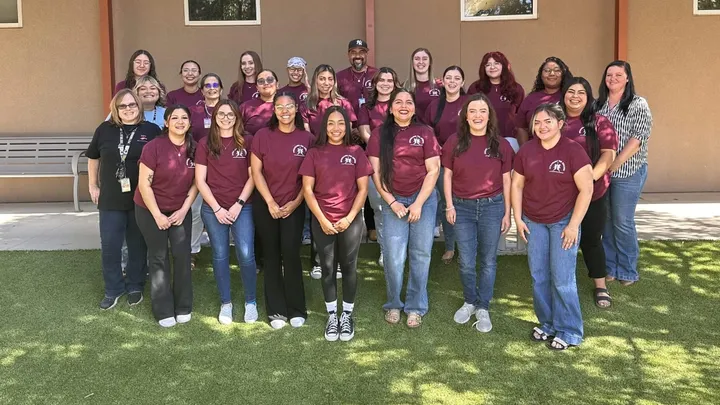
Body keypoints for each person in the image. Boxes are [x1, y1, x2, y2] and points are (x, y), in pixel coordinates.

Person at [511, 103, 593, 350]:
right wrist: (518, 218)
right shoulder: (526, 151)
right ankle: (547, 323)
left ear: (560, 124)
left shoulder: (573, 150)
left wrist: (573, 225)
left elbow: (586, 189)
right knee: (539, 277)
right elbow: (516, 185)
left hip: (562, 223)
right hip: (534, 222)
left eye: (547, 121)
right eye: (537, 122)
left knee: (562, 279)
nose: (541, 126)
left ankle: (569, 331)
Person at [367, 88, 440, 328]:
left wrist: (418, 203)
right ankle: (394, 304)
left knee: (420, 255)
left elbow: (433, 170)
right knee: (394, 257)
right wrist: (392, 201)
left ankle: (416, 306)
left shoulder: (425, 132)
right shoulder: (380, 134)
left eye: (408, 102)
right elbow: (376, 173)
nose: (403, 106)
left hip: (424, 201)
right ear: (390, 108)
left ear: (414, 108)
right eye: (398, 102)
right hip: (393, 200)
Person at [442, 93, 514, 332]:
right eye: (472, 111)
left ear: (489, 115)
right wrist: (450, 205)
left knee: (488, 261)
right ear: (465, 115)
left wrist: (507, 212)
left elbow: (507, 181)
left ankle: (483, 306)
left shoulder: (500, 144)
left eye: (482, 111)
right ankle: (469, 301)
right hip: (461, 208)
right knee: (466, 261)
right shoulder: (454, 141)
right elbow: (448, 175)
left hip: (492, 207)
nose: (477, 116)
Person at [300, 106, 373, 341]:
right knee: (328, 269)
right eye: (331, 123)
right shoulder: (314, 153)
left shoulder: (356, 152)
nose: (336, 128)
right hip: (323, 220)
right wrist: (322, 219)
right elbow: (308, 190)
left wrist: (350, 218)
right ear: (324, 126)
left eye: (340, 123)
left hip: (350, 220)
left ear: (347, 126)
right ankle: (332, 315)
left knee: (349, 267)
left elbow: (363, 189)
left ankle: (347, 315)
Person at [87, 89, 160, 310]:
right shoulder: (104, 129)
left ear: (139, 106)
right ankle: (113, 289)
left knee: (137, 244)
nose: (128, 109)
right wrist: (92, 185)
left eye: (132, 105)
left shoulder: (152, 130)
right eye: (123, 106)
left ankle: (135, 285)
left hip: (140, 198)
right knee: (110, 245)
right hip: (110, 197)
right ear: (115, 109)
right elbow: (93, 158)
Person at [251, 92, 314, 329]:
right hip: (266, 205)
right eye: (279, 107)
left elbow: (309, 177)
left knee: (291, 254)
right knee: (271, 255)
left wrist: (296, 203)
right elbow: (256, 172)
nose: (284, 111)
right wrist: (269, 202)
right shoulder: (262, 136)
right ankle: (276, 310)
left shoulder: (306, 138)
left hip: (294, 206)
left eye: (289, 106)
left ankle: (296, 308)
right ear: (273, 110)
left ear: (296, 109)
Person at [135, 105, 199, 328]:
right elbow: (144, 184)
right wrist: (157, 215)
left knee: (182, 255)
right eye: (175, 118)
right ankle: (163, 309)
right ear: (166, 122)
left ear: (190, 123)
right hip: (150, 209)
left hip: (180, 209)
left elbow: (196, 184)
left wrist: (183, 210)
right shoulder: (154, 147)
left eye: (184, 118)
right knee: (159, 257)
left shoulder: (195, 148)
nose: (180, 121)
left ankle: (183, 306)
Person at [195, 99, 258, 324]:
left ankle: (251, 301)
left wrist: (238, 204)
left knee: (245, 254)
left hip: (243, 207)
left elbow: (254, 176)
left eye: (230, 114)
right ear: (214, 117)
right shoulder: (205, 143)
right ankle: (226, 303)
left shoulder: (248, 141)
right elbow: (200, 181)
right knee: (220, 255)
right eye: (221, 114)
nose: (226, 118)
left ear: (237, 117)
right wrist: (217, 208)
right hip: (214, 210)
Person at [560, 77, 619, 308]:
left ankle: (600, 285)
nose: (575, 96)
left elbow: (608, 154)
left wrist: (591, 178)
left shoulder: (599, 122)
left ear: (588, 96)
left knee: (592, 239)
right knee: (562, 239)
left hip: (593, 191)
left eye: (581, 93)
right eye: (571, 91)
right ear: (563, 94)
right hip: (561, 194)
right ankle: (562, 282)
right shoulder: (555, 119)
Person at [596, 60, 653, 286]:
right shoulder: (598, 104)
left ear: (627, 78)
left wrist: (614, 163)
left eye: (618, 75)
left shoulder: (638, 104)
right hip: (604, 172)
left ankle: (628, 269)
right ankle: (610, 266)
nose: (613, 78)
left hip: (628, 171)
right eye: (609, 75)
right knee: (606, 221)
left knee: (622, 221)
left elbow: (638, 138)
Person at [358, 67, 402, 266]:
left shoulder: (402, 103)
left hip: (401, 164)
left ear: (395, 83)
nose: (385, 83)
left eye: (389, 80)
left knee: (401, 206)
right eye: (381, 80)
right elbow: (365, 134)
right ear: (375, 84)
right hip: (375, 163)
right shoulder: (367, 107)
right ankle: (385, 251)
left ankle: (400, 249)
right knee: (381, 210)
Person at [424, 66, 467, 264]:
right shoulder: (434, 106)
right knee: (447, 204)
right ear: (443, 81)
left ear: (462, 82)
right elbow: (427, 132)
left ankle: (466, 247)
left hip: (467, 160)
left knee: (465, 204)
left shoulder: (469, 103)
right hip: (442, 162)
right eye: (448, 77)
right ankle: (450, 246)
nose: (452, 81)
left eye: (456, 78)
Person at [188, 73, 224, 268]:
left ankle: (224, 247)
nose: (212, 88)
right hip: (200, 167)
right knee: (195, 210)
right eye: (207, 85)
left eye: (215, 84)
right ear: (202, 90)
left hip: (225, 168)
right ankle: (192, 250)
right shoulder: (194, 112)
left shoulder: (228, 109)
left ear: (221, 88)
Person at [467, 51, 525, 152]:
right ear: (483, 68)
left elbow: (521, 117)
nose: (492, 67)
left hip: (509, 139)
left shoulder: (516, 88)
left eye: (496, 63)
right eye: (488, 65)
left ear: (504, 66)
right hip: (482, 138)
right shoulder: (475, 88)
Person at [515, 57, 572, 146]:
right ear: (541, 75)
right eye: (547, 70)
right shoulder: (531, 99)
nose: (552, 73)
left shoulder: (570, 97)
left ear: (563, 74)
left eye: (557, 70)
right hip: (536, 152)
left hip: (565, 149)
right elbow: (522, 128)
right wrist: (525, 150)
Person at [301, 64, 357, 136]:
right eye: (322, 79)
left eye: (330, 79)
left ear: (334, 81)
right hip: (315, 146)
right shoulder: (306, 105)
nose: (327, 83)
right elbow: (307, 135)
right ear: (316, 81)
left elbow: (347, 133)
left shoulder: (344, 104)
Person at [336, 39, 378, 115]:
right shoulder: (339, 76)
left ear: (366, 54)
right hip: (349, 123)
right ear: (348, 55)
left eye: (361, 52)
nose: (357, 56)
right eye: (353, 52)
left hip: (373, 124)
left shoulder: (377, 74)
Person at [404, 48, 441, 122]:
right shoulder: (405, 87)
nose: (421, 62)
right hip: (413, 130)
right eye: (417, 59)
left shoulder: (440, 86)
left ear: (430, 62)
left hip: (436, 131)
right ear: (412, 62)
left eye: (424, 59)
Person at [239, 69, 278, 136]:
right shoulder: (245, 107)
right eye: (261, 81)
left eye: (270, 80)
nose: (266, 83)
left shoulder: (285, 106)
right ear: (256, 87)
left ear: (277, 84)